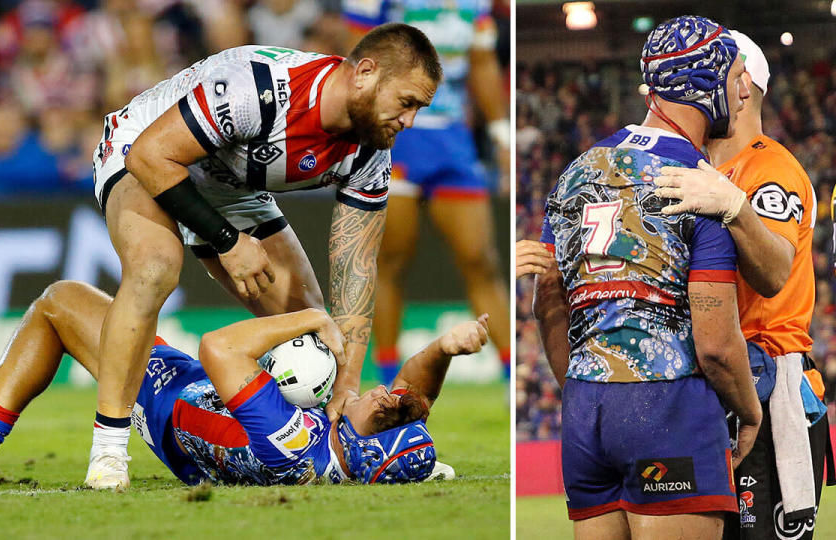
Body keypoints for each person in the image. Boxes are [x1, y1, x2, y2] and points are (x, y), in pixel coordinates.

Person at [86, 23, 441, 489]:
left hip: (225, 181)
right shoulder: (257, 88)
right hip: (143, 147)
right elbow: (152, 157)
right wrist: (227, 241)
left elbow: (355, 268)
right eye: (407, 102)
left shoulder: (369, 153)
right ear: (366, 73)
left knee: (311, 322)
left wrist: (347, 386)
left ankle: (335, 448)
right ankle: (108, 449)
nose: (409, 121)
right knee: (155, 266)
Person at [0, 280, 489, 490]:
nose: (387, 397)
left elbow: (219, 346)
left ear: (365, 446)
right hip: (196, 406)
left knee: (59, 302)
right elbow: (414, 400)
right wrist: (441, 349)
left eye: (386, 416)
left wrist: (311, 319)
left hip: (164, 395)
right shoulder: (341, 450)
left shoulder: (294, 439)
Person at [533, 16, 762, 539]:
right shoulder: (698, 186)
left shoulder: (577, 172)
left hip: (586, 412)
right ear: (703, 87)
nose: (745, 92)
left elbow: (549, 305)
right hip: (668, 407)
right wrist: (749, 414)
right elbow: (717, 348)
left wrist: (585, 387)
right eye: (736, 77)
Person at [653, 31, 831, 540]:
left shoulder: (770, 167)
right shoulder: (695, 168)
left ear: (742, 86)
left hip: (767, 390)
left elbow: (774, 276)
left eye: (707, 75)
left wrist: (733, 206)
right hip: (709, 386)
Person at [343, 0, 511, 385]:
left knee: (480, 258)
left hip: (452, 138)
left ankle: (510, 379)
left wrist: (501, 131)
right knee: (391, 262)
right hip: (394, 134)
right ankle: (388, 380)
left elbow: (482, 62)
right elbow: (355, 59)